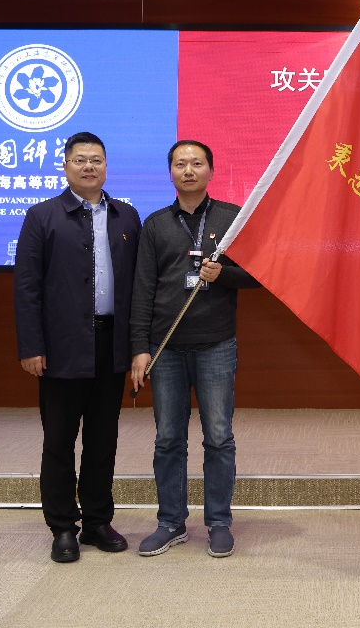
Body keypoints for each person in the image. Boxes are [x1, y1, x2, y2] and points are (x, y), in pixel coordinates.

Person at [14, 131, 142, 563]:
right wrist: (31, 345)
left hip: (111, 345)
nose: (89, 166)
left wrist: (137, 346)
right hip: (61, 347)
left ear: (106, 166)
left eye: (97, 160)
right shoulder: (42, 216)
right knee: (59, 441)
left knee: (103, 440)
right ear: (65, 166)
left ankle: (98, 522)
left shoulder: (126, 216)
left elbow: (138, 287)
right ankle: (63, 527)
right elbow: (27, 287)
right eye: (80, 159)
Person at [130, 140, 260, 559]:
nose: (189, 170)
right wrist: (140, 348)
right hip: (165, 348)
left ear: (211, 170)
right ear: (170, 172)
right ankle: (171, 522)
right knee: (168, 439)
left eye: (197, 163)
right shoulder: (155, 224)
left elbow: (258, 275)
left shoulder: (231, 218)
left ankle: (219, 522)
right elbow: (142, 289)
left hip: (216, 345)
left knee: (218, 437)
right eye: (180, 164)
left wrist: (225, 275)